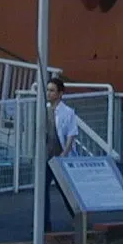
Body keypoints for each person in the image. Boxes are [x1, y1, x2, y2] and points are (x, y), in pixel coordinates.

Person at [44, 77, 80, 232]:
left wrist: (64, 154)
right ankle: (45, 224)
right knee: (42, 191)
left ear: (60, 93)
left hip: (60, 157)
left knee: (65, 190)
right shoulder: (44, 109)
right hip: (46, 157)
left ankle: (77, 217)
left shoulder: (67, 112)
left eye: (52, 90)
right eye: (48, 90)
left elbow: (72, 134)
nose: (49, 93)